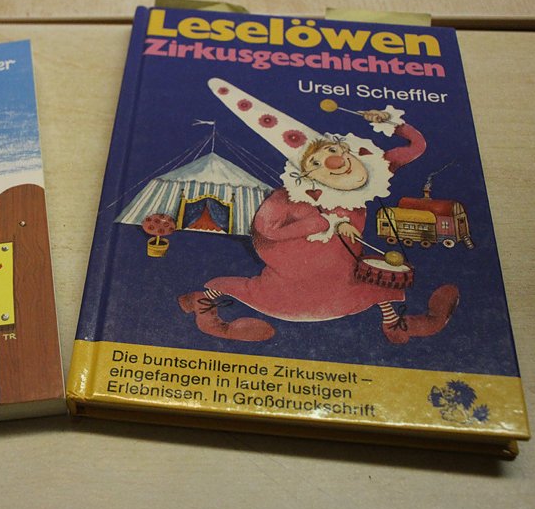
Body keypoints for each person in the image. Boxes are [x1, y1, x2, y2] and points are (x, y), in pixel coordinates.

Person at [178, 79, 458, 343]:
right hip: (287, 292)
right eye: (316, 162)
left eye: (335, 151)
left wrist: (391, 122)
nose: (334, 162)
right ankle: (205, 309)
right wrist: (321, 224)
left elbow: (417, 146)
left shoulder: (367, 176)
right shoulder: (290, 197)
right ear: (305, 173)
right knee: (241, 288)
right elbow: (265, 230)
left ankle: (395, 324)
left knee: (377, 283)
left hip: (344, 285)